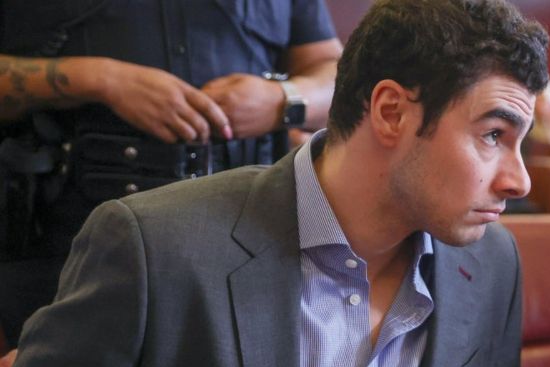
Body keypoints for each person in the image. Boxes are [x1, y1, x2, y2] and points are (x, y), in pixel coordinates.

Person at [0, 0, 549, 367]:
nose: (520, 180)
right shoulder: (151, 247)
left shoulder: (490, 262)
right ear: (391, 112)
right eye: (493, 135)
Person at [0, 0, 342, 347]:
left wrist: (283, 99)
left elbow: (339, 76)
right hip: (61, 259)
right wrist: (101, 79)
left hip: (244, 256)